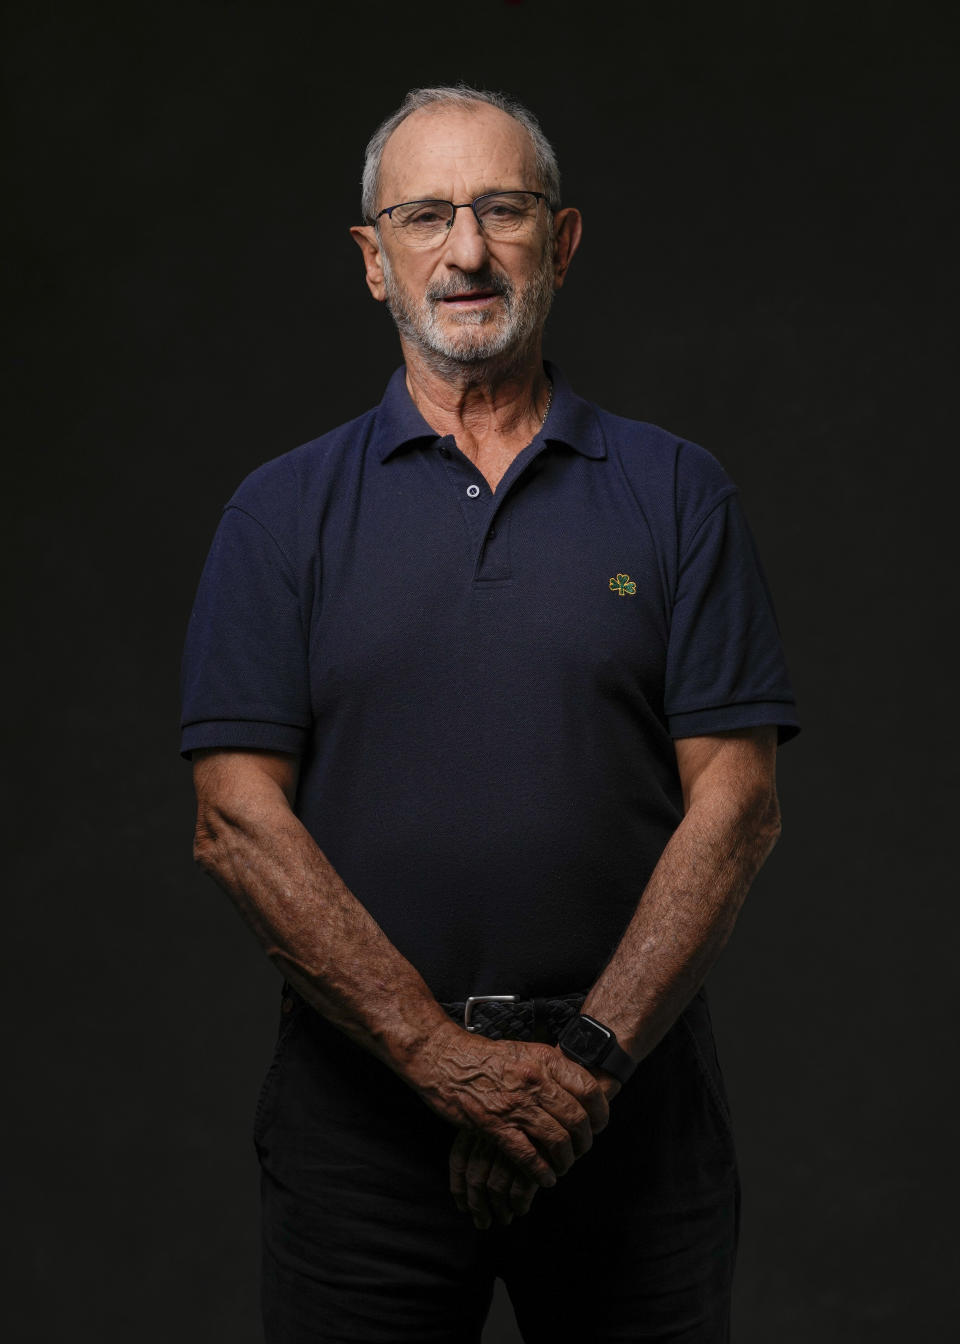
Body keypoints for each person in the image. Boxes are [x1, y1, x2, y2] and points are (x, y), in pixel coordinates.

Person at [180, 84, 799, 1344]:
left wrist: (582, 1069)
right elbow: (235, 821)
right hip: (360, 1129)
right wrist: (433, 1059)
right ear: (373, 261)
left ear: (560, 243)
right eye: (423, 216)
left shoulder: (679, 495)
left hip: (632, 1112)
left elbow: (736, 807)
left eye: (501, 209)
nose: (465, 250)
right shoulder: (280, 514)